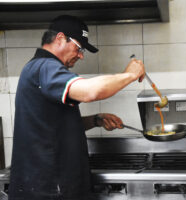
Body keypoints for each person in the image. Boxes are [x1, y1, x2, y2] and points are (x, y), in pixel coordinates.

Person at [8, 15, 145, 200]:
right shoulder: (46, 67)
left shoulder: (38, 69)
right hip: (48, 189)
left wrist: (95, 120)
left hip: (49, 187)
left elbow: (51, 126)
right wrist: (129, 75)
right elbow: (91, 92)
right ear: (59, 38)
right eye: (79, 48)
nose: (81, 56)